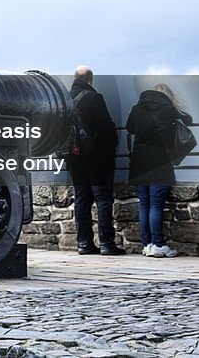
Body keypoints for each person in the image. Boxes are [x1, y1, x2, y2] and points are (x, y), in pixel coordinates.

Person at [126, 83, 192, 258]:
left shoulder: (136, 108)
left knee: (144, 204)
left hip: (139, 162)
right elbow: (188, 120)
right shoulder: (167, 109)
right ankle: (159, 244)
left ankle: (147, 244)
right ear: (167, 96)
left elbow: (129, 128)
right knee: (156, 205)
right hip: (159, 162)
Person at [67, 66, 125, 255]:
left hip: (74, 158)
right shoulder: (94, 98)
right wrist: (110, 149)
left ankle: (84, 243)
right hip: (97, 158)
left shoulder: (65, 99)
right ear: (90, 80)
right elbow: (106, 129)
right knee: (102, 199)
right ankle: (107, 244)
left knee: (82, 199)